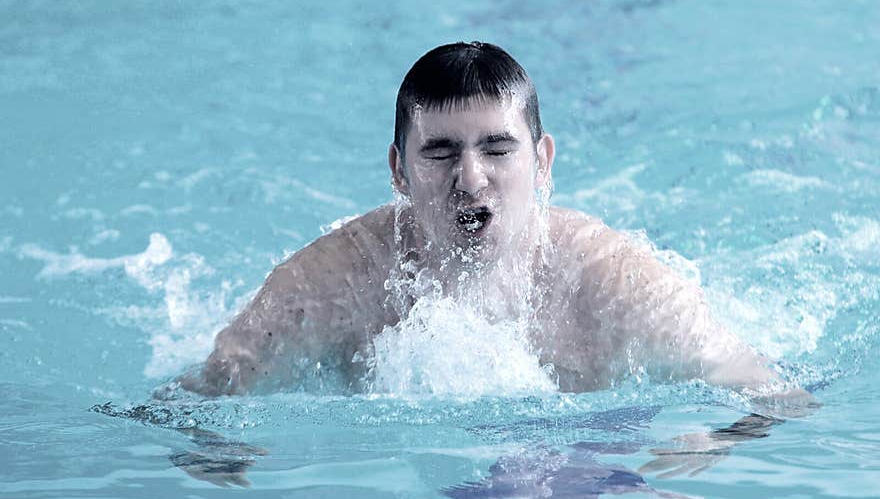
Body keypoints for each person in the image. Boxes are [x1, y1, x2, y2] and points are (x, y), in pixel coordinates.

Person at [166, 41, 813, 411]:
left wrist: (717, 437)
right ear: (398, 170)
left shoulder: (610, 278)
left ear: (543, 161)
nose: (470, 179)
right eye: (440, 151)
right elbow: (204, 392)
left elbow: (770, 388)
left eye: (498, 149)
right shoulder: (338, 280)